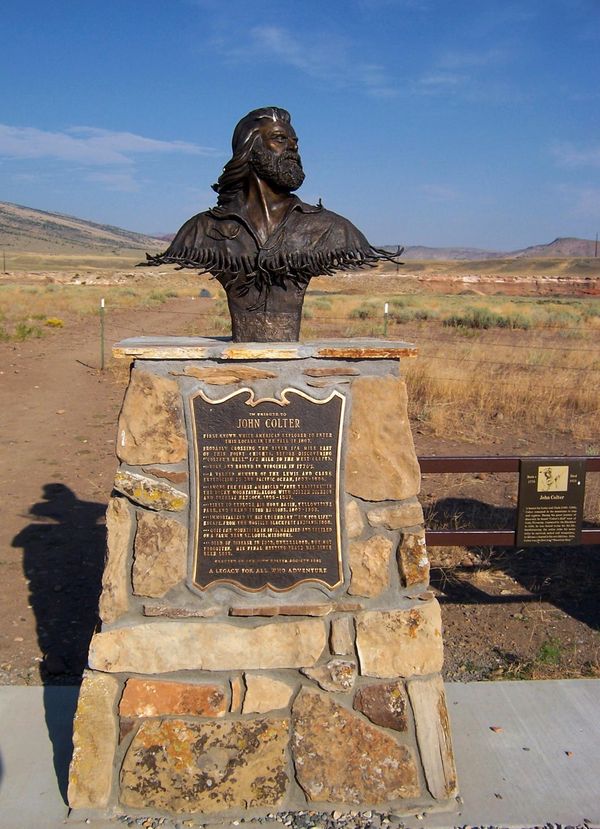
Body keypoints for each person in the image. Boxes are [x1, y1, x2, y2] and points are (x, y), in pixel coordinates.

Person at [145, 107, 401, 341]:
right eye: (280, 139)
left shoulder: (333, 229)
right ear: (251, 149)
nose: (292, 148)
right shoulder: (201, 230)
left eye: (295, 142)